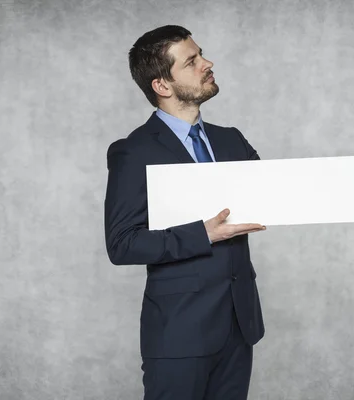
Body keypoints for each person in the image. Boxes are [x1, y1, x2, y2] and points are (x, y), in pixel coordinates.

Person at [104, 25, 266, 400]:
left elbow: (269, 193)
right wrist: (203, 234)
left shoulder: (232, 140)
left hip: (239, 326)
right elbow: (122, 244)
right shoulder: (134, 151)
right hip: (179, 331)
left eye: (201, 54)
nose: (207, 64)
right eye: (192, 62)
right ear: (162, 85)